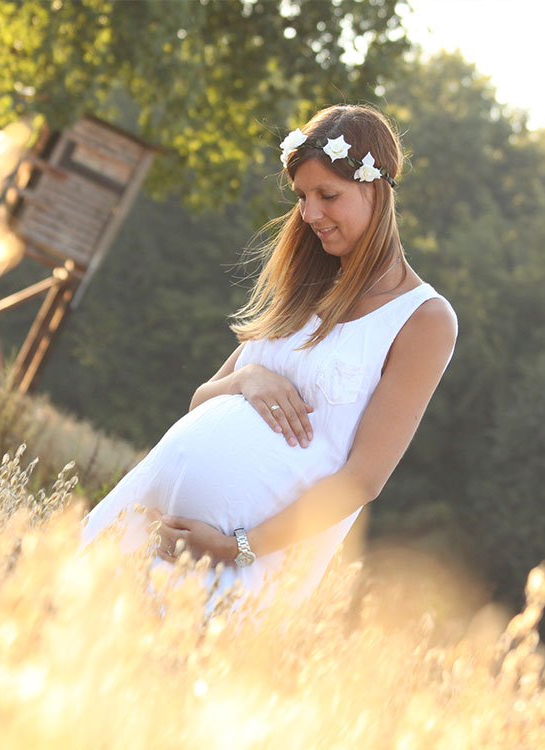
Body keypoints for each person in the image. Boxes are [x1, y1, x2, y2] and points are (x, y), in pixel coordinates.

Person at [81, 103, 458, 610]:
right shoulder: (306, 283)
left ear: (377, 190)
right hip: (142, 519)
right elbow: (201, 400)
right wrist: (249, 376)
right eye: (302, 196)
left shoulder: (423, 320)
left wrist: (236, 548)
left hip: (239, 569)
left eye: (328, 195)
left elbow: (362, 480)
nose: (310, 214)